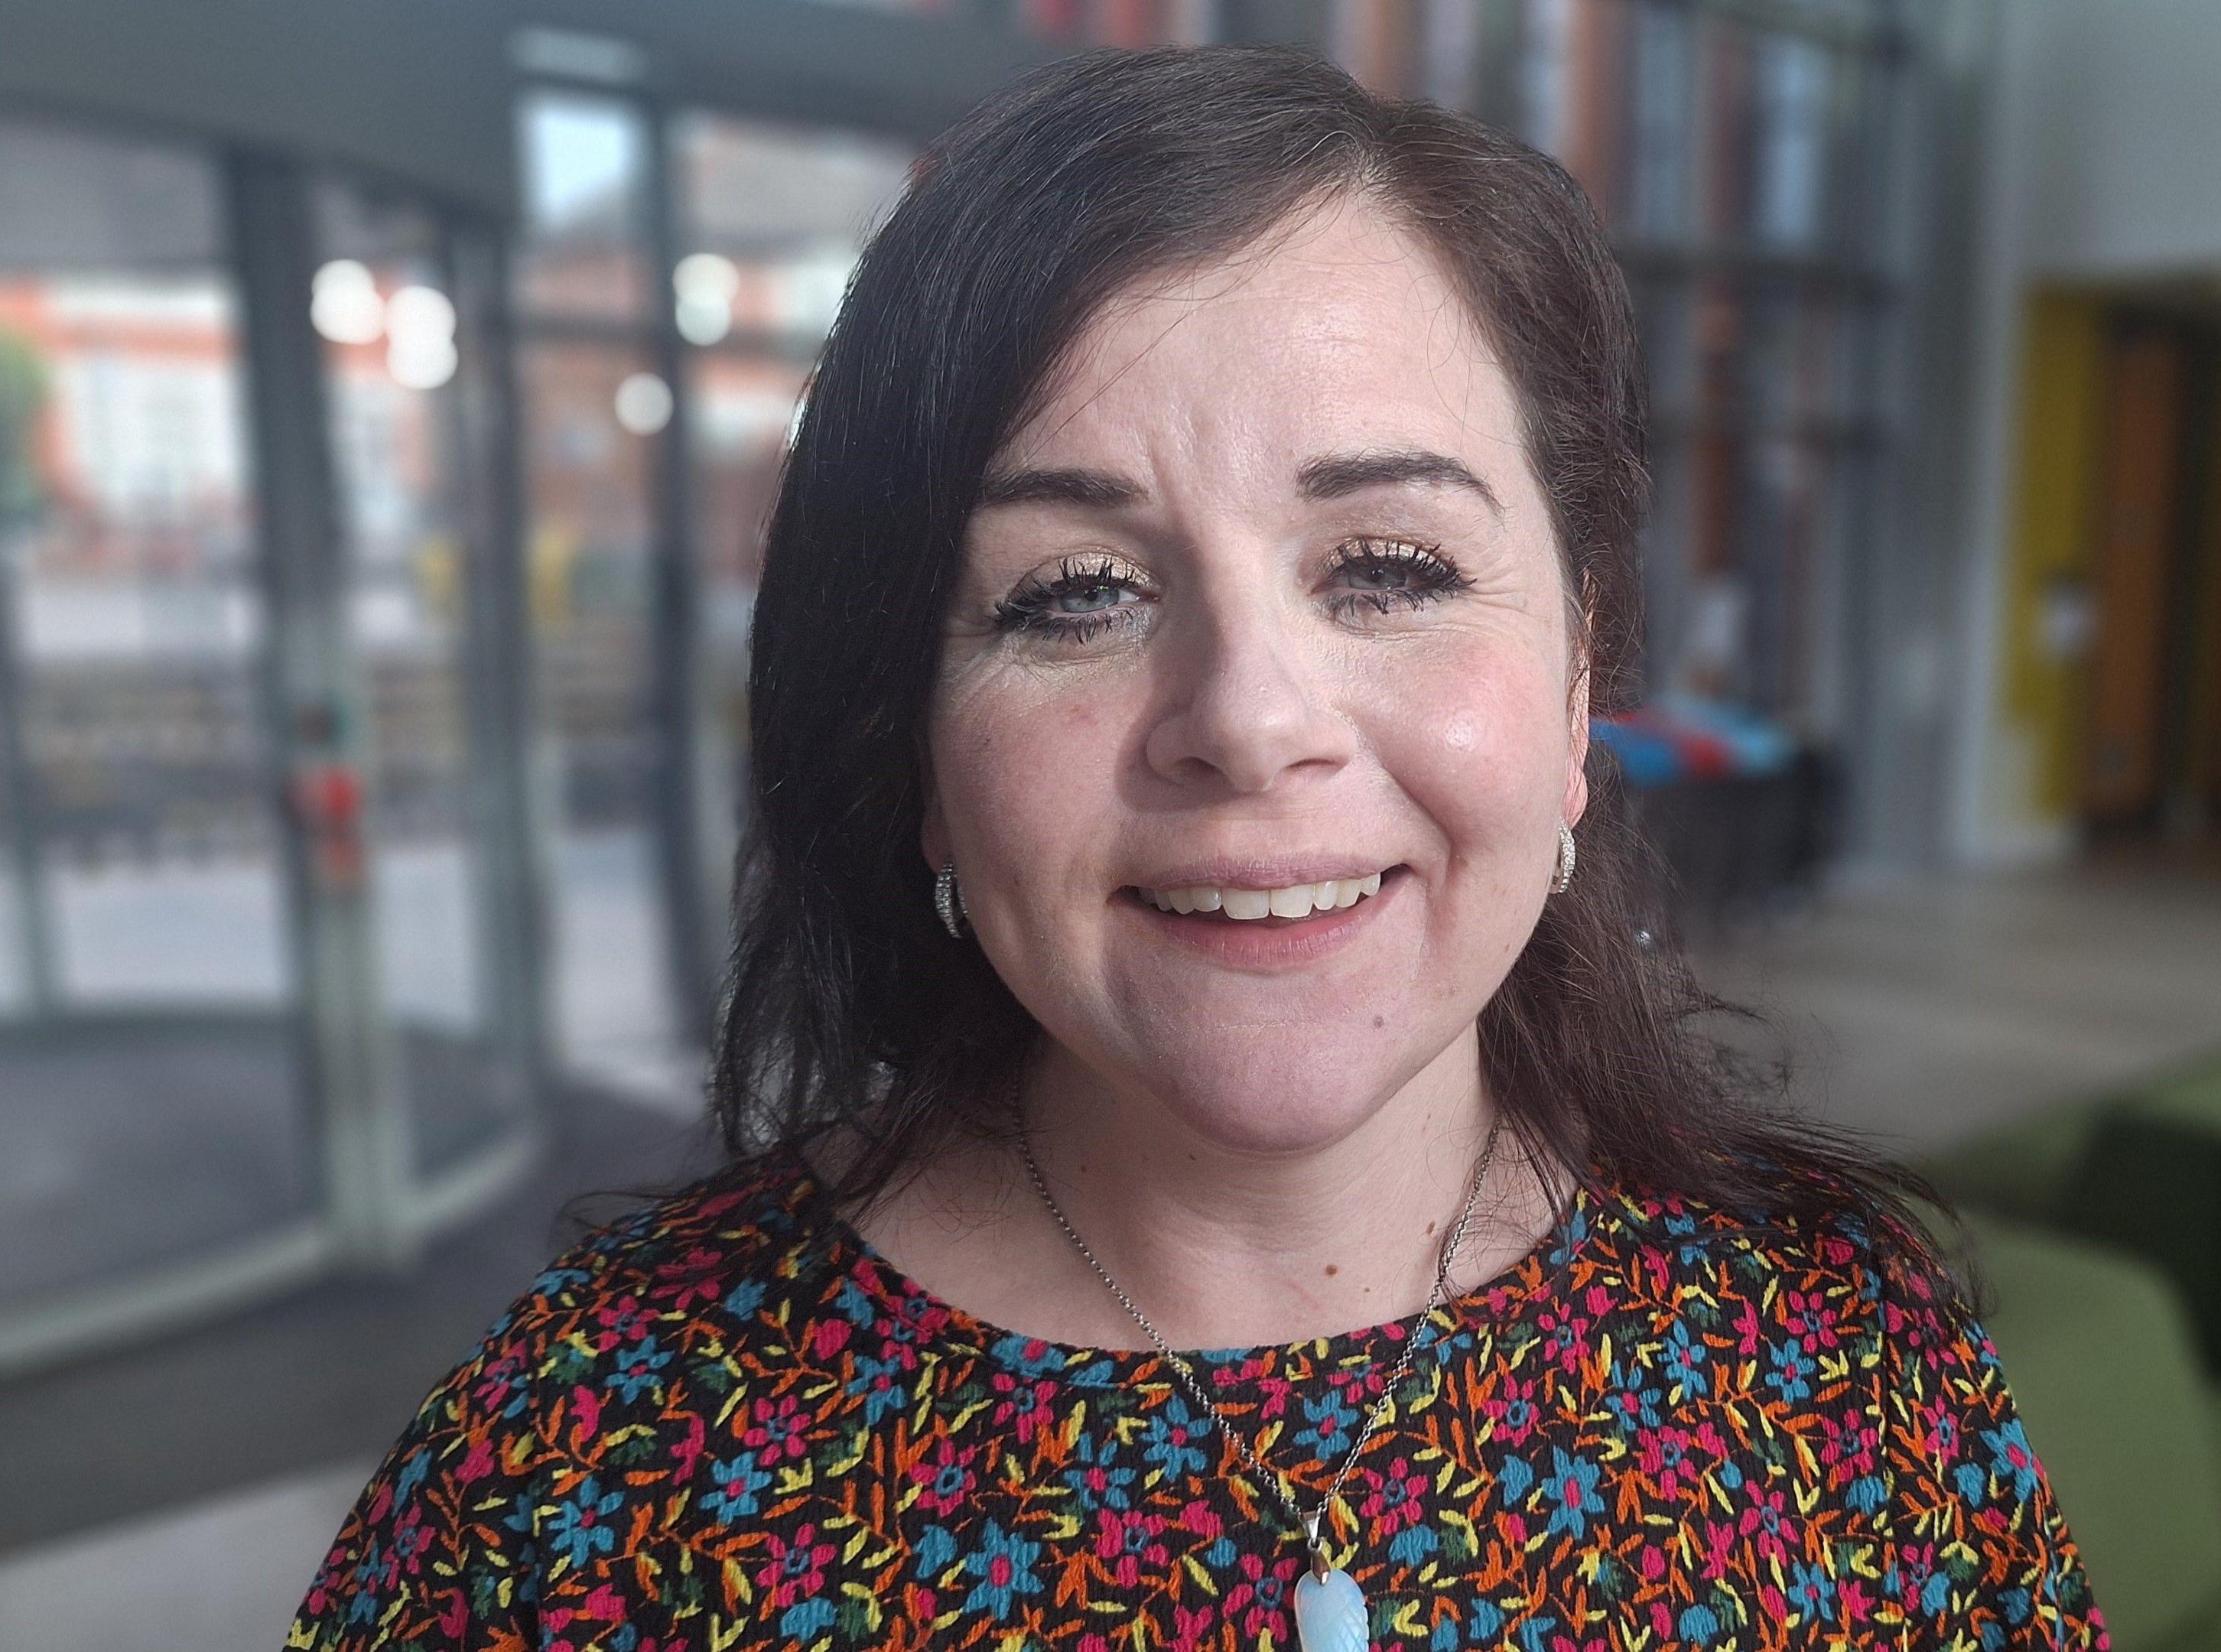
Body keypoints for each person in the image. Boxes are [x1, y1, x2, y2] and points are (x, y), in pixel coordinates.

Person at [289, 43, 2103, 1651]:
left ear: (1575, 688)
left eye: (1386, 568)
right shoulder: (578, 1473)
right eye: (1075, 594)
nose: (1249, 717)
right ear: (915, 753)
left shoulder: (1843, 1358)